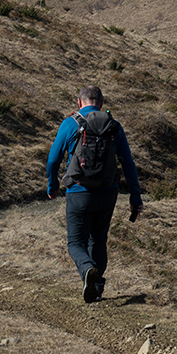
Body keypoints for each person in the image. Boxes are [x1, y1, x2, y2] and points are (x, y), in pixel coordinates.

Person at [46, 84, 144, 303]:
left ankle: (87, 269)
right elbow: (128, 163)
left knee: (75, 243)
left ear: (79, 102)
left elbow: (53, 160)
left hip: (79, 192)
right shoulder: (114, 126)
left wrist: (52, 186)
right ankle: (96, 288)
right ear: (101, 103)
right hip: (108, 193)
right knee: (98, 239)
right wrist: (135, 196)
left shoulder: (70, 123)